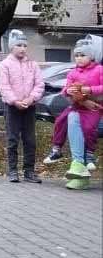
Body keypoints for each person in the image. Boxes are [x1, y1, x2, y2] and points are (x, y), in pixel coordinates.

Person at [43, 37, 102, 185]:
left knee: (83, 124)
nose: (79, 58)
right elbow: (67, 91)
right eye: (77, 55)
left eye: (83, 55)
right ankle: (75, 163)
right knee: (66, 119)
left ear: (92, 56)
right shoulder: (73, 72)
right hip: (80, 108)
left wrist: (90, 91)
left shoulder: (99, 70)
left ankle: (82, 162)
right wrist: (70, 91)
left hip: (97, 111)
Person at [0, 30, 44, 184]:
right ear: (11, 47)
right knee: (12, 139)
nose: (22, 48)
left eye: (25, 45)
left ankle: (29, 171)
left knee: (30, 140)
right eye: (18, 45)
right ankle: (12, 171)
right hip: (12, 107)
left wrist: (31, 99)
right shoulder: (5, 65)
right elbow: (4, 86)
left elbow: (39, 84)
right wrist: (15, 101)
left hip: (29, 107)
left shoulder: (33, 64)